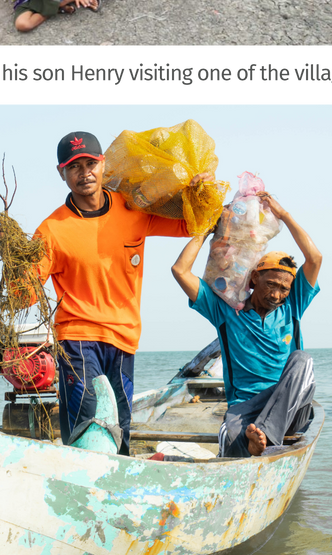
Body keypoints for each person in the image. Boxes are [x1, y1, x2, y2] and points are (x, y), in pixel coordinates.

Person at [32, 132, 212, 453]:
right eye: (74, 167)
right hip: (78, 337)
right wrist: (14, 258)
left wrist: (201, 192)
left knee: (121, 427)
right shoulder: (51, 230)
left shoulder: (132, 208)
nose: (84, 172)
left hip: (124, 339)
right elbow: (26, 295)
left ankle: (118, 494)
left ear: (103, 165)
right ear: (62, 173)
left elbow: (189, 224)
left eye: (90, 163)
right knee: (87, 425)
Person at [171, 192, 322, 458]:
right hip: (245, 406)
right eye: (270, 285)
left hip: (289, 405)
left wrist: (284, 215)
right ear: (254, 279)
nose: (276, 295)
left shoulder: (292, 307)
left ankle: (265, 434)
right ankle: (257, 439)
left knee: (302, 360)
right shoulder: (226, 312)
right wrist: (206, 231)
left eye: (284, 289)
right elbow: (180, 270)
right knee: (230, 438)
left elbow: (315, 259)